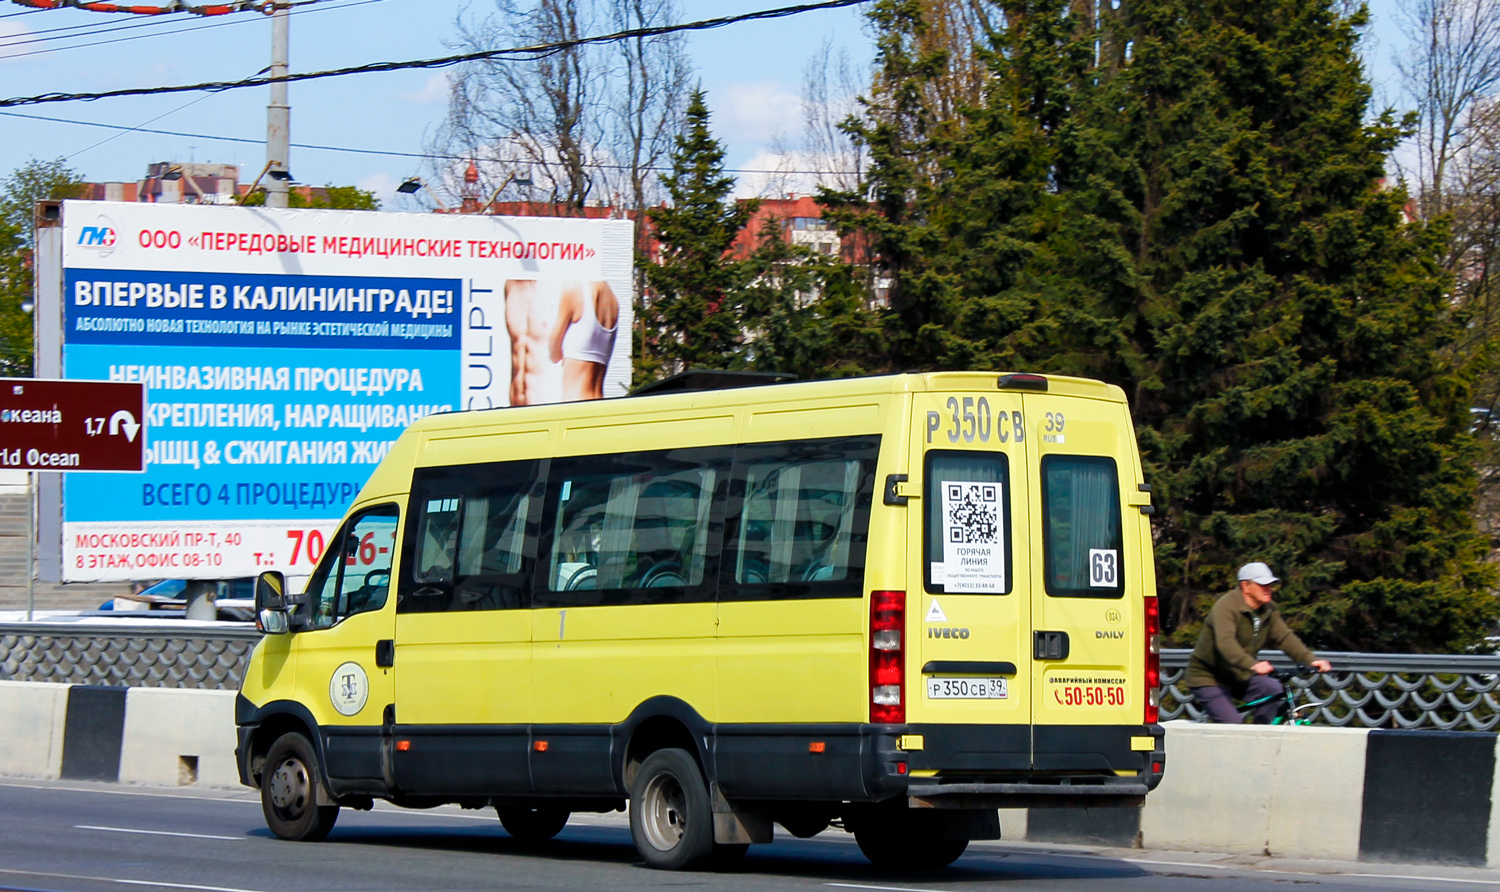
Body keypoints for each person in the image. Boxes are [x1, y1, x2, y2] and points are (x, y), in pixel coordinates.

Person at [1185, 562, 1332, 723]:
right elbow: (1225, 643)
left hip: (1240, 675)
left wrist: (1310, 660)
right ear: (1245, 586)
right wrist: (1252, 664)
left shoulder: (1268, 610)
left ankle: (1261, 735)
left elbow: (1284, 638)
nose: (1268, 588)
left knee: (1273, 690)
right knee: (1233, 726)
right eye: (1263, 584)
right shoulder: (1226, 607)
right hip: (1208, 678)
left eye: (1270, 584)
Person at [550, 280, 619, 401]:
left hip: (576, 403)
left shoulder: (574, 289)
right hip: (599, 403)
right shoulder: (612, 300)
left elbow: (553, 355)